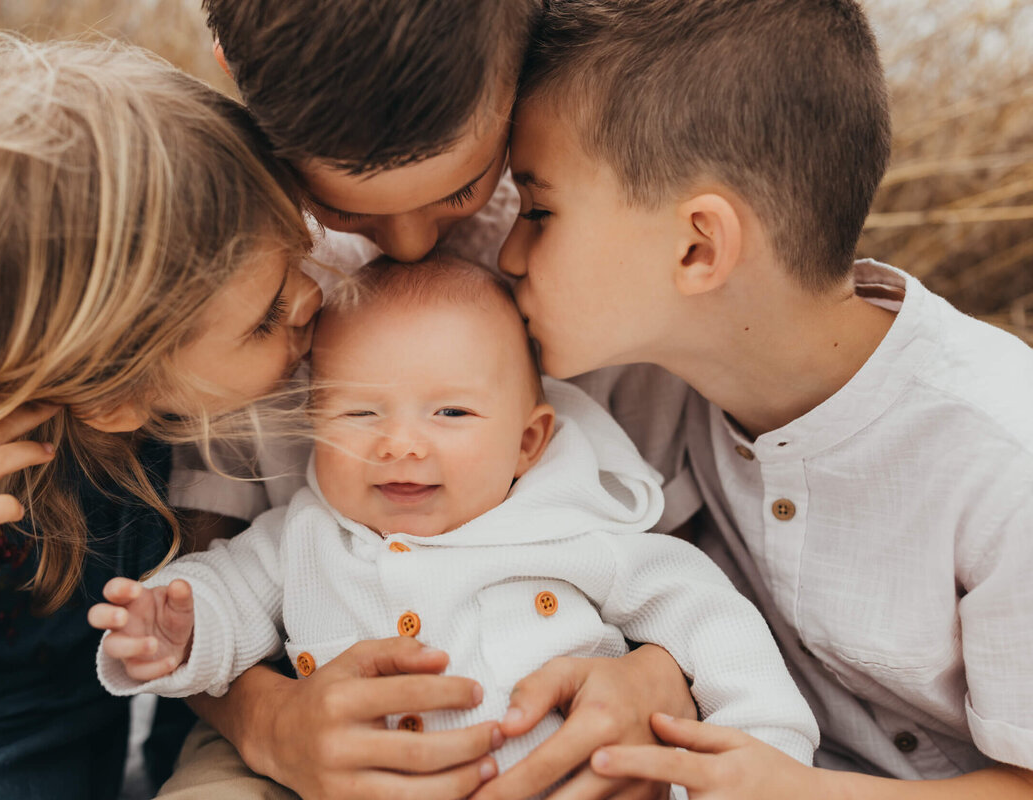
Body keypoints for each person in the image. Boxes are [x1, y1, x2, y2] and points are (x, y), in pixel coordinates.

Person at [496, 0, 1033, 797]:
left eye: (539, 211)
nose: (509, 252)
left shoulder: (1002, 458)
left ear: (698, 246)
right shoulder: (639, 387)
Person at [165, 4, 701, 798]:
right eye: (345, 205)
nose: (409, 244)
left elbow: (683, 564)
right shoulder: (252, 274)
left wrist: (658, 678)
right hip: (277, 716)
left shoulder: (604, 247)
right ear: (233, 71)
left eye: (463, 186)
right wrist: (269, 724)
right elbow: (196, 571)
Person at [92, 257, 818, 793]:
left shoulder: (576, 531)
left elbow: (712, 620)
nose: (401, 443)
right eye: (361, 413)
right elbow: (226, 592)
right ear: (313, 426)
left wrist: (765, 750)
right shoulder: (305, 536)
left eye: (451, 413)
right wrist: (177, 624)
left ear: (528, 443)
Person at [0, 31, 321, 799]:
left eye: (301, 259)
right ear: (112, 395)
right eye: (265, 317)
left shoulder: (153, 446)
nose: (312, 299)